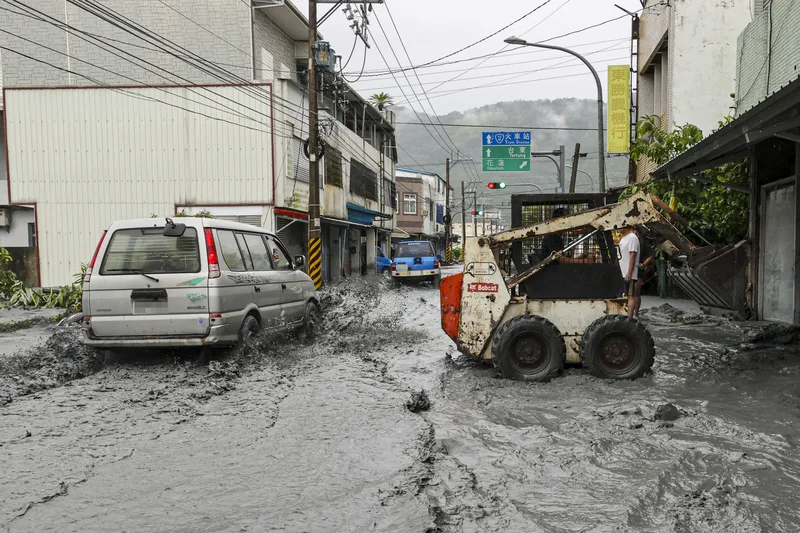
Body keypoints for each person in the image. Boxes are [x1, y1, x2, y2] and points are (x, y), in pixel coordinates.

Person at [617, 226, 640, 319]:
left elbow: (633, 255)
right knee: (625, 295)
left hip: (628, 273)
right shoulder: (623, 238)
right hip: (623, 272)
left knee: (630, 296)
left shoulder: (632, 238)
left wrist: (629, 272)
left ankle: (629, 318)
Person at [632, 229, 655, 319]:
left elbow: (651, 254)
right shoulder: (627, 241)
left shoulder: (641, 245)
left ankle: (636, 313)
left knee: (635, 293)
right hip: (629, 270)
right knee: (630, 294)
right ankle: (632, 312)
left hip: (637, 270)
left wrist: (644, 264)